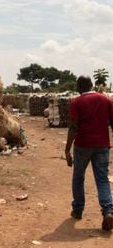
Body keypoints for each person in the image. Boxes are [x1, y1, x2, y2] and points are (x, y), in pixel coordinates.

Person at [65, 75, 113, 230]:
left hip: (82, 145)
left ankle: (78, 210)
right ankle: (108, 211)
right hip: (102, 146)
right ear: (92, 85)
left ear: (78, 87)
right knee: (102, 179)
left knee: (78, 177)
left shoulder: (76, 102)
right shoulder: (106, 100)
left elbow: (73, 127)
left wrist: (67, 150)